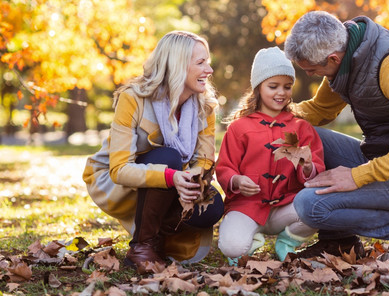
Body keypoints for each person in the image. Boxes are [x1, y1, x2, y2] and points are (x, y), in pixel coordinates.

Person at [283, 11, 389, 264]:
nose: (310, 75)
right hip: (382, 157)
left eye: (312, 70)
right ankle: (338, 242)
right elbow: (320, 110)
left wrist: (357, 176)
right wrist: (267, 115)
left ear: (332, 58)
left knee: (310, 205)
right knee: (304, 137)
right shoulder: (345, 61)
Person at [82, 31, 224, 273]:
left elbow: (204, 158)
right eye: (200, 63)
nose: (209, 70)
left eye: (207, 62)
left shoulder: (205, 106)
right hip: (116, 181)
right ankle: (142, 246)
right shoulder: (134, 98)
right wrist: (172, 177)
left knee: (212, 205)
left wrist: (191, 179)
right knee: (168, 157)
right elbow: (119, 169)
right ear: (177, 65)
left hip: (170, 180)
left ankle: (158, 236)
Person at [216, 47, 325, 263]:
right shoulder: (240, 128)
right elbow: (224, 168)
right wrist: (236, 180)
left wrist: (308, 168)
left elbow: (317, 168)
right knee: (232, 248)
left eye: (287, 87)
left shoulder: (301, 127)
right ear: (258, 87)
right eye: (273, 86)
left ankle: (288, 241)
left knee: (317, 206)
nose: (281, 93)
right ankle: (251, 238)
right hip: (247, 206)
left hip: (287, 205)